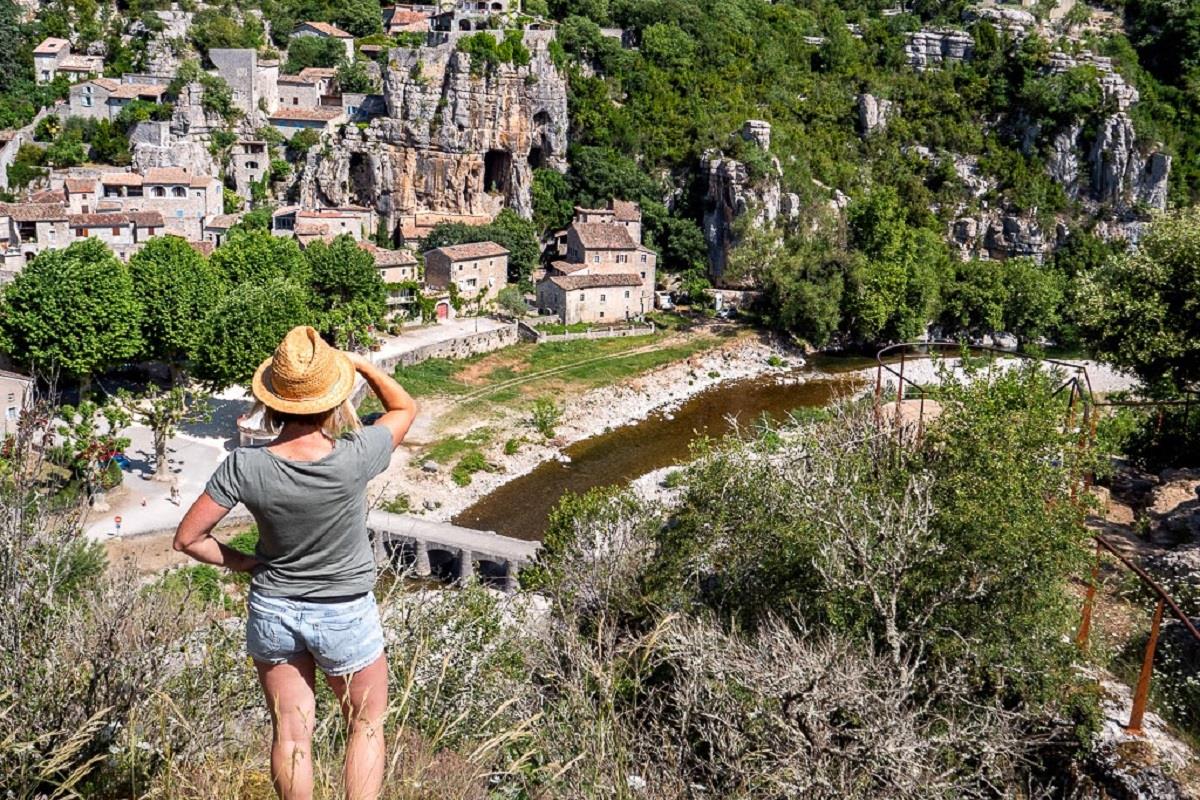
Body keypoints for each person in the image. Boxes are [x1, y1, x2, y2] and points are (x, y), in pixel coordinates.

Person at [173, 326, 417, 800]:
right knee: (365, 726)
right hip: (345, 611)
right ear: (332, 398)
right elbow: (404, 408)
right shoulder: (355, 455)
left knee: (290, 733)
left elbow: (188, 540)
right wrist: (361, 366)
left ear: (274, 401)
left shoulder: (245, 466)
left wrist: (245, 563)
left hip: (274, 611)